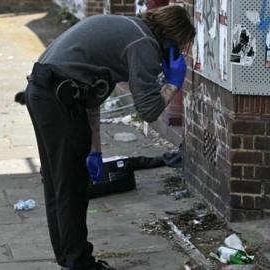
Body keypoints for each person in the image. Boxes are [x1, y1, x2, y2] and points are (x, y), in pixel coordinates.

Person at [23, 5, 195, 270]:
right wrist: (173, 83)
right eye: (182, 46)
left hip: (44, 91)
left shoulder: (127, 28)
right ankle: (80, 262)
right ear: (172, 39)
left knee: (59, 184)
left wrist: (95, 150)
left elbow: (91, 97)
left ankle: (69, 258)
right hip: (59, 101)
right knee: (71, 187)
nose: (181, 53)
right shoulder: (144, 44)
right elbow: (148, 110)